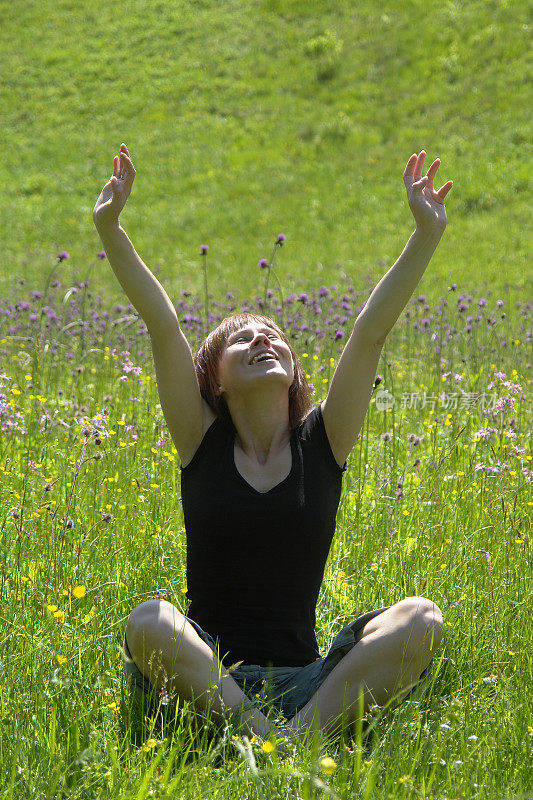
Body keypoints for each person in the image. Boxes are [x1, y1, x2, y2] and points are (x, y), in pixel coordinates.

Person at [93, 143, 452, 747]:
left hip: (309, 683)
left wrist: (425, 236)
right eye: (242, 341)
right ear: (215, 380)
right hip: (211, 676)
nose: (262, 339)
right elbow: (162, 322)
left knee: (422, 619)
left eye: (273, 336)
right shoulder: (199, 440)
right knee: (148, 621)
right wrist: (110, 227)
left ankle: (281, 742)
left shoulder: (324, 442)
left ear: (293, 370)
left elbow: (369, 332)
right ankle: (270, 737)